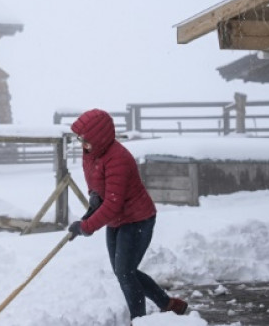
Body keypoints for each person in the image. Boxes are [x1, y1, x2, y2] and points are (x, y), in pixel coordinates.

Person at [67, 108, 188, 321]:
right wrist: (94, 199)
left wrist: (86, 227)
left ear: (99, 137)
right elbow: (97, 184)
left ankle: (139, 320)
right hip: (116, 220)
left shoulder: (118, 158)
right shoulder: (90, 153)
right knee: (124, 271)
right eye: (80, 139)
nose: (81, 144)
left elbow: (113, 204)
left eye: (85, 139)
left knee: (125, 272)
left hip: (137, 219)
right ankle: (167, 304)